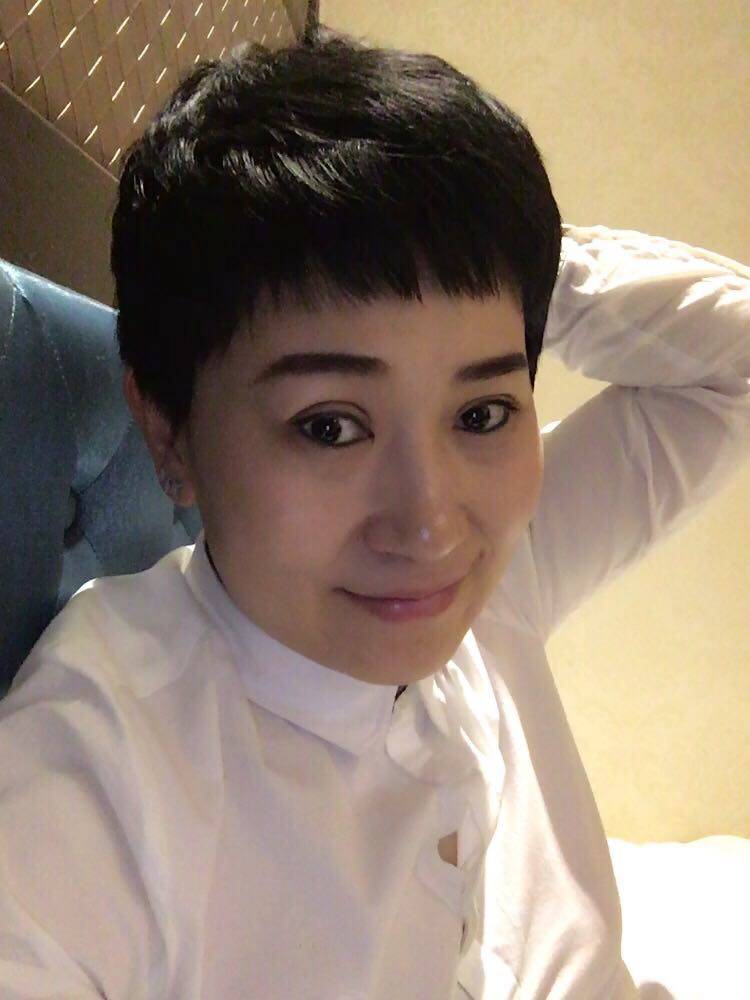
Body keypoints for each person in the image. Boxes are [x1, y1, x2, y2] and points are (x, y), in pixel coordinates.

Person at [0, 22, 748, 1000]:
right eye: (330, 427)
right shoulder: (101, 768)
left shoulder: (493, 593)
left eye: (482, 412)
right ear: (168, 431)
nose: (431, 525)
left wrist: (489, 258)